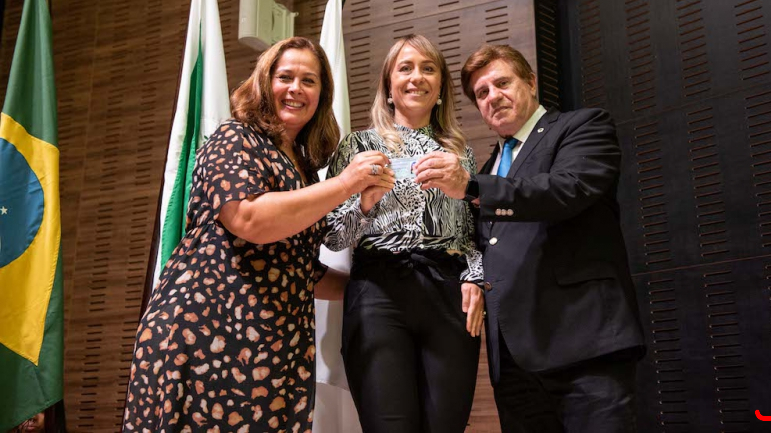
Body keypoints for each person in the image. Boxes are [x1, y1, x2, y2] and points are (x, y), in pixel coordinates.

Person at [122, 37, 394, 432]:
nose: (296, 88)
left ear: (322, 96)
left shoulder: (304, 168)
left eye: (309, 80)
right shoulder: (236, 137)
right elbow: (248, 220)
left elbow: (298, 269)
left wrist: (374, 289)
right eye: (285, 77)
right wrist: (344, 184)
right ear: (264, 83)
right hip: (208, 331)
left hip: (273, 346)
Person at [413, 44, 646, 433]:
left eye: (502, 83)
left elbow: (566, 189)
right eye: (482, 93)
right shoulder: (489, 167)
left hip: (584, 346)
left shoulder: (582, 126)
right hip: (514, 363)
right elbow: (484, 245)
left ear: (531, 83)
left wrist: (471, 186)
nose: (493, 97)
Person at [324, 34, 484, 433]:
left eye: (428, 69)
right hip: (378, 294)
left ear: (441, 88)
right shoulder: (357, 145)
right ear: (389, 85)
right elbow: (332, 238)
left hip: (448, 296)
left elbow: (473, 234)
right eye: (405, 68)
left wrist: (476, 276)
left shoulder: (460, 153)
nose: (417, 77)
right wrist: (365, 204)